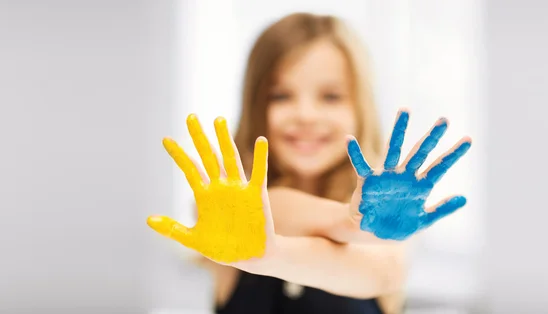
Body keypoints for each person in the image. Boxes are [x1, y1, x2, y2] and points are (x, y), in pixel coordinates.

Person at [148, 12, 472, 314]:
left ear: (361, 108)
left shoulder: (393, 212)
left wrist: (273, 254)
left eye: (331, 96)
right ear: (255, 106)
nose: (305, 115)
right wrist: (353, 220)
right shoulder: (231, 211)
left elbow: (384, 274)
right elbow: (282, 211)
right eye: (280, 96)